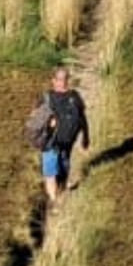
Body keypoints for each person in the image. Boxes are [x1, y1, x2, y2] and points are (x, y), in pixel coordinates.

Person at [39, 67, 90, 203]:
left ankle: (60, 196)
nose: (62, 82)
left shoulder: (74, 96)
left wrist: (86, 137)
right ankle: (53, 200)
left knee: (63, 169)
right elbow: (36, 119)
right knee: (50, 173)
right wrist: (48, 123)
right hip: (50, 142)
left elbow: (82, 117)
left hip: (67, 141)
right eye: (59, 79)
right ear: (53, 80)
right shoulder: (46, 98)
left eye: (65, 79)